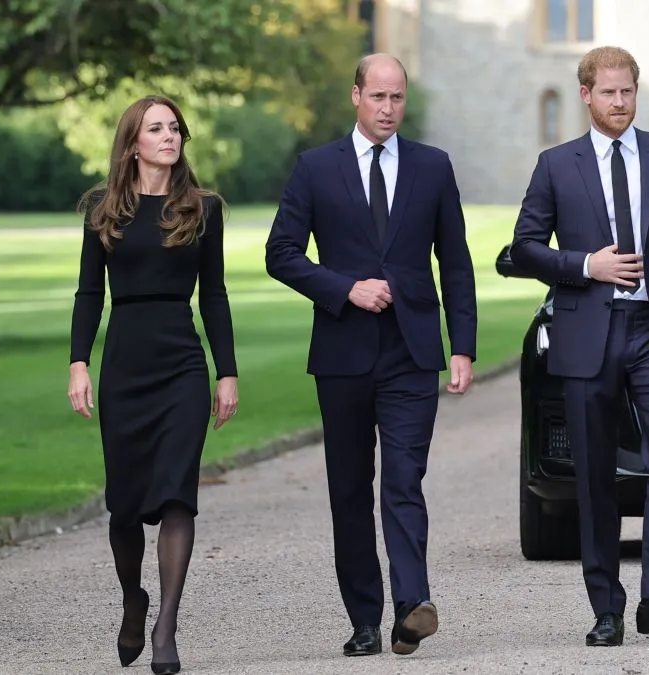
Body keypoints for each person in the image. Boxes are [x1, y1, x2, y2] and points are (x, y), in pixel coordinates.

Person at [509, 45, 649, 647]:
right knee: (595, 477)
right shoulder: (557, 165)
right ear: (585, 95)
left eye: (628, 92)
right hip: (588, 332)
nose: (619, 102)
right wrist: (587, 264)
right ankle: (606, 607)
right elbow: (526, 246)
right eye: (608, 93)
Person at [264, 53, 477, 658]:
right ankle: (363, 619)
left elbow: (456, 264)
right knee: (350, 489)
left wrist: (462, 346)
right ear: (355, 95)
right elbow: (281, 253)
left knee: (405, 481)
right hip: (343, 352)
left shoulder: (432, 168)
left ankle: (412, 605)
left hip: (412, 353)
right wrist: (344, 288)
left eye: (398, 98)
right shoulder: (314, 169)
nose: (388, 109)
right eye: (378, 97)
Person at [67, 94, 239, 674]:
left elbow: (213, 295)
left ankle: (165, 626)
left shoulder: (203, 208)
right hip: (125, 365)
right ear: (132, 142)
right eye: (156, 128)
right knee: (124, 507)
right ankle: (133, 600)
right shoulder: (102, 208)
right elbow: (89, 291)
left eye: (175, 128)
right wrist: (77, 363)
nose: (169, 136)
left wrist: (227, 372)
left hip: (182, 366)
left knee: (176, 494)